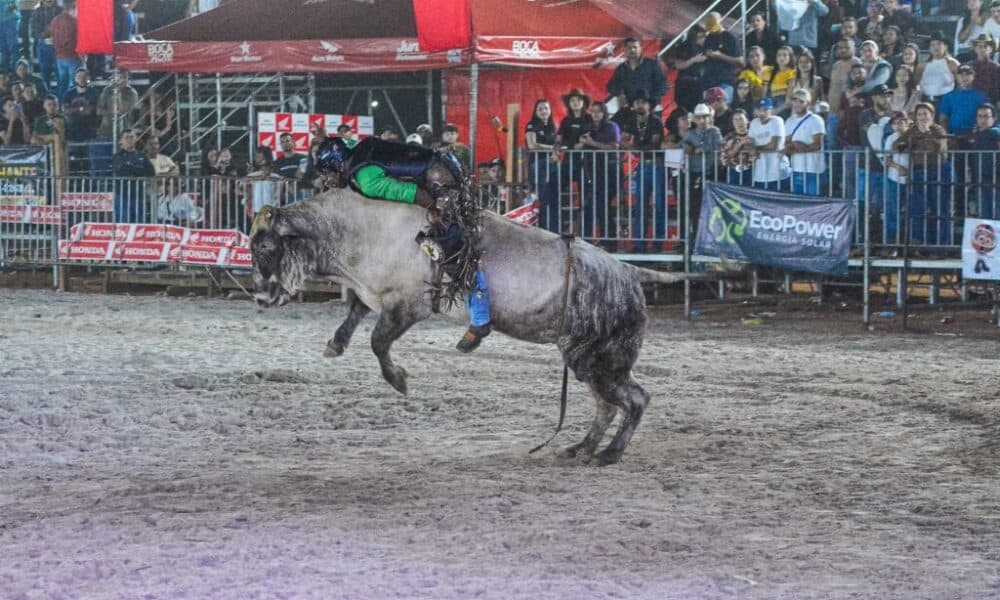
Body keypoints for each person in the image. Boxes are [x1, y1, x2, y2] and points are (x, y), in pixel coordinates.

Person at [891, 103, 951, 246]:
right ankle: (917, 242)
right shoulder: (912, 131)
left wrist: (927, 133)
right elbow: (896, 145)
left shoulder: (938, 129)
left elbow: (940, 149)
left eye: (925, 114)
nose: (922, 117)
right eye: (919, 114)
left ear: (932, 115)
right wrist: (904, 144)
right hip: (918, 171)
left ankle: (941, 245)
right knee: (917, 208)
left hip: (937, 171)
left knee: (940, 209)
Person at [620, 88, 665, 252]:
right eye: (637, 102)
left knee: (659, 206)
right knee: (640, 206)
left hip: (657, 165)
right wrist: (632, 146)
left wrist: (633, 147)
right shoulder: (631, 121)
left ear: (649, 105)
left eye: (643, 102)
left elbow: (654, 145)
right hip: (642, 165)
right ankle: (639, 244)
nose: (640, 105)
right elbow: (622, 141)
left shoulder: (655, 121)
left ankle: (658, 244)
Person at [575, 101, 620, 243]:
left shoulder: (611, 127)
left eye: (599, 111)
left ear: (604, 112)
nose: (595, 114)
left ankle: (609, 241)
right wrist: (581, 143)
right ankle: (587, 241)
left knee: (603, 205)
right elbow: (577, 146)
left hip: (610, 172)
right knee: (590, 206)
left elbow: (614, 147)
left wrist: (592, 143)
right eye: (593, 111)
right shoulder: (588, 128)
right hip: (592, 172)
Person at [605, 37, 668, 116]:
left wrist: (651, 101)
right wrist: (620, 94)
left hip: (651, 110)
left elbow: (663, 84)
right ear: (624, 50)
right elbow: (610, 86)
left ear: (640, 49)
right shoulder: (621, 69)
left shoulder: (652, 65)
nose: (632, 50)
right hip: (630, 111)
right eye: (629, 48)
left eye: (635, 47)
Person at [524, 98, 559, 232]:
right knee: (543, 199)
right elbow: (532, 145)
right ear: (536, 111)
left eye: (546, 108)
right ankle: (542, 230)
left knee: (554, 199)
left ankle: (554, 231)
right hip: (538, 165)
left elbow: (558, 146)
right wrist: (552, 148)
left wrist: (555, 153)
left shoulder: (552, 126)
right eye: (540, 109)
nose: (544, 111)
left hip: (552, 165)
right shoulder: (532, 125)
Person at [784, 88, 826, 195]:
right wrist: (793, 146)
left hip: (814, 169)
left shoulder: (816, 120)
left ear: (807, 103)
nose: (797, 104)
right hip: (796, 169)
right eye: (795, 100)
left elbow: (817, 144)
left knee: (813, 201)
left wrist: (800, 147)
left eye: (801, 101)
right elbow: (786, 144)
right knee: (797, 202)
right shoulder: (789, 121)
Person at [961, 104, 1000, 219]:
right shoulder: (975, 135)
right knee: (984, 215)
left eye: (987, 116)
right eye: (980, 116)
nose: (983, 119)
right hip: (980, 180)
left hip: (997, 181)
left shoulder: (995, 133)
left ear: (993, 118)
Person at [111, 128, 154, 223]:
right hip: (123, 195)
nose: (130, 140)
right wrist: (138, 170)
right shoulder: (117, 156)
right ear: (120, 141)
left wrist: (131, 168)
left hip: (139, 195)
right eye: (127, 138)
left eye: (132, 137)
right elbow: (122, 170)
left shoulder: (142, 156)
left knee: (140, 223)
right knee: (124, 223)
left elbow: (150, 172)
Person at [701, 12, 744, 99]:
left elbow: (740, 61)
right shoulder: (709, 37)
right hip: (709, 79)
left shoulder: (731, 38)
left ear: (721, 21)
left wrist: (720, 56)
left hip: (725, 80)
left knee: (721, 103)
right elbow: (705, 53)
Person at [938, 64, 990, 134]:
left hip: (975, 135)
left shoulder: (981, 96)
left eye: (968, 74)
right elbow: (943, 119)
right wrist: (946, 137)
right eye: (961, 74)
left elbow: (987, 117)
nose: (964, 77)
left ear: (973, 77)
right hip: (954, 136)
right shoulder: (948, 96)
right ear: (956, 77)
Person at [748, 97, 786, 190]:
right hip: (759, 173)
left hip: (778, 172)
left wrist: (755, 149)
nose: (762, 113)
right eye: (759, 110)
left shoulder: (777, 121)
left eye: (765, 109)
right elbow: (749, 143)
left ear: (771, 110)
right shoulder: (754, 123)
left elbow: (774, 146)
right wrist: (752, 148)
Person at [48, 0, 78, 101]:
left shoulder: (55, 20)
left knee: (63, 84)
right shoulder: (74, 22)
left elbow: (51, 35)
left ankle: (61, 106)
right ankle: (74, 106)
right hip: (73, 56)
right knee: (76, 85)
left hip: (59, 57)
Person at [919, 31, 959, 104]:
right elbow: (916, 83)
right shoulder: (922, 65)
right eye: (933, 45)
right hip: (926, 101)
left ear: (945, 46)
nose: (936, 47)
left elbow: (959, 83)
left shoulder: (952, 63)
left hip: (946, 100)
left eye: (939, 44)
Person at [720, 109, 755, 186]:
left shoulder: (754, 134)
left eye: (741, 119)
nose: (739, 122)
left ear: (747, 120)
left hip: (753, 171)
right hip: (734, 172)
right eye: (736, 119)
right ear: (732, 122)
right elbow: (725, 156)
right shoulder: (729, 137)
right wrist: (740, 144)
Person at [968, 34, 999, 104]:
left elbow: (997, 90)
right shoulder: (969, 66)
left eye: (985, 46)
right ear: (975, 49)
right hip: (972, 101)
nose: (982, 49)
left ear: (991, 49)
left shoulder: (996, 68)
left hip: (990, 103)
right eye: (979, 46)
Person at [768, 46, 796, 111]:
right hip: (772, 101)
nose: (781, 58)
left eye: (785, 55)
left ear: (790, 57)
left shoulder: (792, 72)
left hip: (784, 103)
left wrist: (777, 110)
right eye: (779, 55)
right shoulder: (773, 73)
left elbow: (790, 92)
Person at [0, 0, 19, 74]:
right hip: (1, 23)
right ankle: (5, 74)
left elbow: (16, 5)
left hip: (11, 21)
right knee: (3, 49)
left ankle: (16, 74)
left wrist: (12, 6)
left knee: (13, 48)